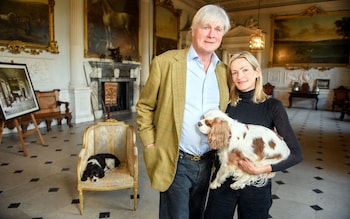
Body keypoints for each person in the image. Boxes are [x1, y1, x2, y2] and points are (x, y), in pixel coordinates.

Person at [136, 4, 231, 219]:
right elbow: (144, 106)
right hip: (175, 159)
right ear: (194, 30)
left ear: (222, 35)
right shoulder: (166, 62)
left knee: (197, 214)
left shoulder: (223, 72)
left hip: (209, 161)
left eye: (218, 29)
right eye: (206, 27)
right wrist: (150, 143)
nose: (211, 34)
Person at [204, 51, 303, 219]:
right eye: (234, 72)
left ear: (257, 72)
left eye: (245, 70)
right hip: (223, 180)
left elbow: (296, 154)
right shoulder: (224, 104)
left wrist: (262, 169)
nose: (239, 76)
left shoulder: (273, 106)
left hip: (256, 185)